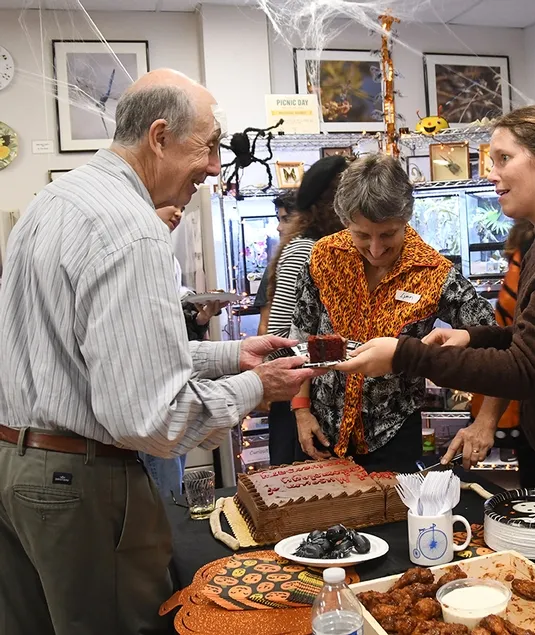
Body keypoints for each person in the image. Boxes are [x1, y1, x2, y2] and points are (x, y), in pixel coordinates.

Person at [0, 69, 319, 635]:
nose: (217, 166)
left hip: (18, 468)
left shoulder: (54, 201)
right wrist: (260, 386)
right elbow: (155, 420)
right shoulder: (134, 229)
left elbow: (97, 358)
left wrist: (231, 355)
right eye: (211, 145)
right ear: (159, 135)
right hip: (82, 488)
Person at [336, 103, 535, 562]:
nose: (491, 172)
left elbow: (525, 370)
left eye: (504, 158)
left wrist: (406, 355)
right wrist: (475, 338)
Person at [291, 153, 497, 473]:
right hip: (322, 429)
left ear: (406, 218)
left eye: (388, 234)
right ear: (346, 222)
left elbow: (498, 343)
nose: (375, 249)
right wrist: (301, 410)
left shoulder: (433, 272)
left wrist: (486, 422)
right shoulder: (324, 256)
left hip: (393, 436)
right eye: (362, 235)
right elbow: (302, 336)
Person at [140, 204, 225, 500]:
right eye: (169, 206)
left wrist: (200, 318)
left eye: (181, 208)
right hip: (151, 390)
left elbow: (175, 326)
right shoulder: (138, 253)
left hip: (174, 385)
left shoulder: (165, 254)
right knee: (161, 482)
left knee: (172, 474)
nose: (177, 213)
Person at [265, 156, 347, 465]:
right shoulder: (307, 250)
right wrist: (300, 402)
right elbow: (279, 338)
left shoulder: (322, 246)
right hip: (296, 400)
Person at [470, 219, 535, 487]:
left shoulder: (528, 253)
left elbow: (515, 336)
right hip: (528, 397)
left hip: (525, 395)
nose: (495, 176)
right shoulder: (533, 252)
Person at [255, 191, 297, 336]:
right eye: (279, 219)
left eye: (286, 219)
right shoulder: (274, 268)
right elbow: (265, 324)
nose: (279, 227)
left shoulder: (325, 259)